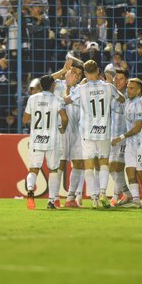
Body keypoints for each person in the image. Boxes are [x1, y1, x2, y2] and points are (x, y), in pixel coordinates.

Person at [64, 60, 125, 209]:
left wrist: (67, 85)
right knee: (104, 162)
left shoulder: (81, 89)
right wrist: (110, 83)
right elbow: (122, 99)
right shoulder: (108, 87)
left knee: (89, 166)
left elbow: (66, 100)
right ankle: (103, 192)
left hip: (87, 132)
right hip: (104, 131)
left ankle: (94, 198)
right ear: (98, 70)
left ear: (85, 73)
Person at [23, 74, 67, 210]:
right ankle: (51, 201)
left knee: (33, 169)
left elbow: (25, 119)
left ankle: (30, 191)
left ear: (41, 86)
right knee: (53, 170)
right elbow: (64, 118)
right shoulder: (57, 100)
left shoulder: (32, 98)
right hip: (52, 140)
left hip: (36, 140)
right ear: (53, 85)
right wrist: (62, 128)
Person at [111, 78, 142, 208]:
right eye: (128, 87)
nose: (128, 90)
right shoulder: (128, 102)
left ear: (138, 90)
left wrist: (120, 137)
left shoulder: (140, 102)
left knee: (140, 172)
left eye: (131, 88)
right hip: (130, 143)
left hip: (141, 143)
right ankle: (135, 200)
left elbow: (137, 127)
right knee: (129, 171)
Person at [57, 57, 86, 208]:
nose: (76, 76)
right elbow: (43, 82)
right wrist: (63, 71)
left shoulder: (81, 90)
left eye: (79, 74)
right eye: (74, 72)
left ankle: (70, 199)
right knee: (60, 164)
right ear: (68, 71)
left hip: (77, 131)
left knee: (79, 163)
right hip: (61, 131)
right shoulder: (57, 85)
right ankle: (54, 197)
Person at [108, 68, 133, 207]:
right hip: (112, 137)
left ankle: (117, 196)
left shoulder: (128, 96)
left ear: (127, 81)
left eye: (121, 78)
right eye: (115, 78)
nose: (117, 81)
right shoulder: (112, 95)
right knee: (114, 168)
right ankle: (126, 194)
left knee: (115, 167)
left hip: (124, 138)